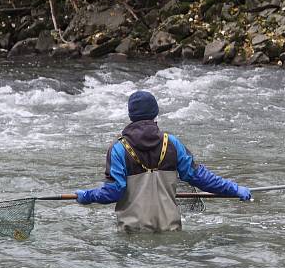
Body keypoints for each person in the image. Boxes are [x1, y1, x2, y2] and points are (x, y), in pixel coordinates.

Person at [76, 90, 252, 233]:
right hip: (170, 232)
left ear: (131, 115)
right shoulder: (172, 143)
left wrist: (88, 196)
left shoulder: (119, 149)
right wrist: (234, 189)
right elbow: (200, 177)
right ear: (155, 113)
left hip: (132, 235)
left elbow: (114, 192)